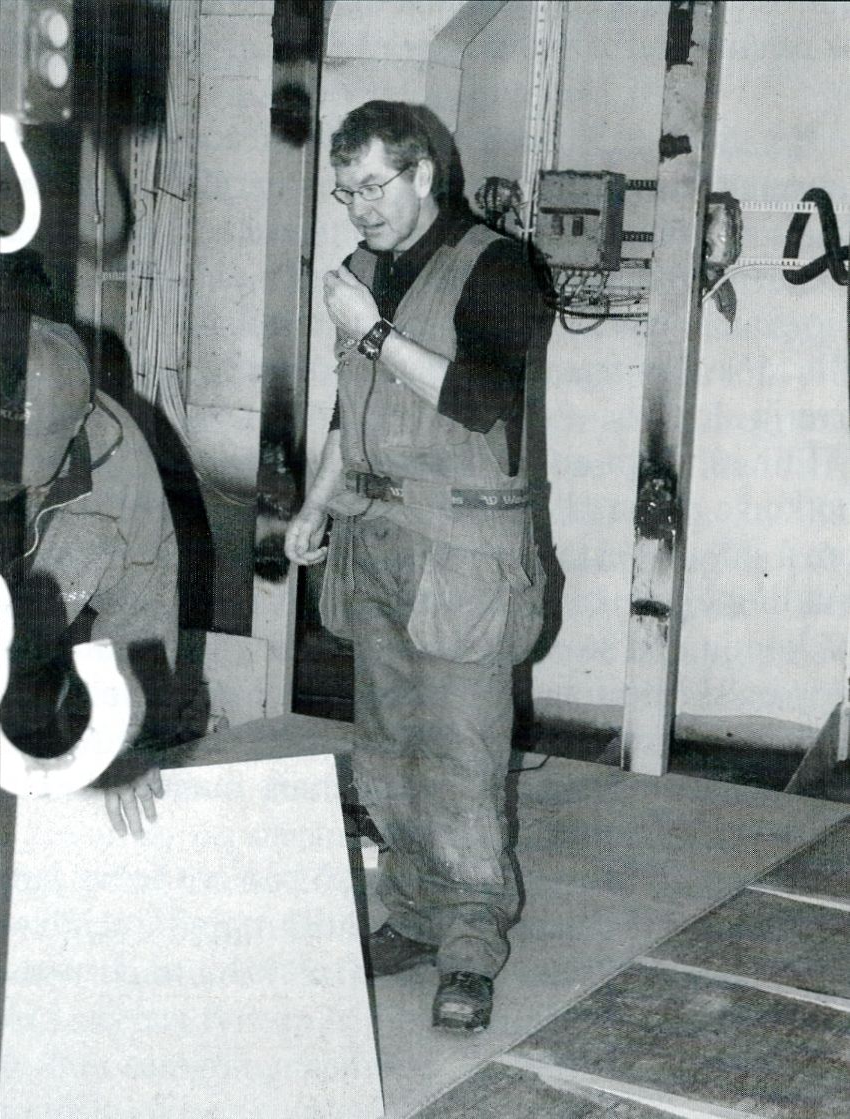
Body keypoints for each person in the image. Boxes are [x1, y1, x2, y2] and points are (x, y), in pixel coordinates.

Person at [285, 101, 545, 1032]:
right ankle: (411, 911)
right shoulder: (360, 274)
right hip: (376, 541)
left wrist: (371, 332)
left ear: (423, 174)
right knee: (387, 748)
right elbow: (347, 411)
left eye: (373, 186)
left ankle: (470, 943)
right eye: (345, 191)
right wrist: (315, 504)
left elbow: (479, 398)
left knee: (461, 756)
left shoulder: (499, 265)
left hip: (463, 552)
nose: (359, 207)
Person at [0, 313, 179, 838]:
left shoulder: (124, 474)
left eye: (28, 483)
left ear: (81, 422)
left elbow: (140, 625)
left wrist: (121, 746)